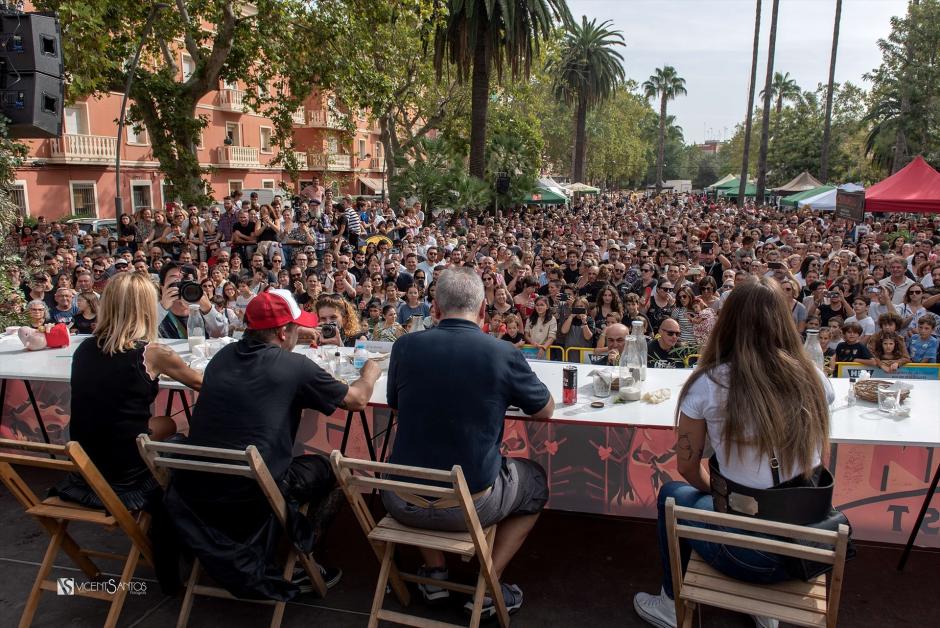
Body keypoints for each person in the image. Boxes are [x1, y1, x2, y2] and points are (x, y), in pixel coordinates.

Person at [633, 277, 835, 628]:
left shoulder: (708, 384)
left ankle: (670, 605)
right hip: (809, 549)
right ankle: (763, 607)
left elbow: (688, 468)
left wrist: (725, 493)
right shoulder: (815, 377)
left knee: (672, 495)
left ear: (728, 322)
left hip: (749, 557)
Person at [166, 289, 381, 599]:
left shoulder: (222, 357)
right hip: (252, 492)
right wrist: (369, 373)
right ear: (283, 332)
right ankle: (305, 561)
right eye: (295, 327)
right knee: (334, 470)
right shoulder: (293, 366)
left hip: (198, 490)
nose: (300, 331)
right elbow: (357, 400)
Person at [384, 267, 554, 617]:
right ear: (482, 312)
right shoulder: (503, 352)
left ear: (434, 309)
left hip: (401, 501)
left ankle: (434, 574)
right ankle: (488, 584)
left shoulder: (404, 346)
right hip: (468, 506)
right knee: (535, 480)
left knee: (420, 464)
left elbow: (395, 404)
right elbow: (545, 410)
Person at [56, 272, 202, 510]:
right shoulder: (153, 353)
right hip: (127, 473)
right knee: (173, 427)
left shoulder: (84, 348)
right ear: (146, 307)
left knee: (164, 422)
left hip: (87, 465)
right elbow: (201, 384)